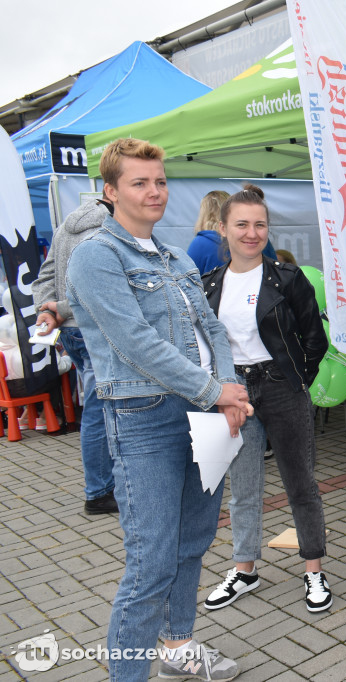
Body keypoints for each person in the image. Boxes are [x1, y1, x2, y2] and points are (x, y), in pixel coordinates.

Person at [66, 138, 250, 682]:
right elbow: (134, 341)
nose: (154, 191)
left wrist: (230, 389)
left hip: (203, 418)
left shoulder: (173, 258)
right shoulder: (96, 255)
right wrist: (214, 392)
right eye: (139, 182)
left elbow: (211, 329)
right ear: (110, 191)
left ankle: (177, 648)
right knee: (150, 562)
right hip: (144, 420)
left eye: (160, 181)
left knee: (193, 542)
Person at [201, 184, 332, 613]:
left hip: (281, 388)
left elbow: (315, 338)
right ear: (223, 228)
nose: (251, 232)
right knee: (243, 488)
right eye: (242, 224)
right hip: (234, 392)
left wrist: (298, 381)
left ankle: (314, 569)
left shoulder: (288, 279)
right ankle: (244, 569)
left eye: (260, 224)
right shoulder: (210, 285)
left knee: (300, 484)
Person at [32, 200, 117, 514]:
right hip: (92, 327)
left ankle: (106, 486)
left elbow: (43, 279)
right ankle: (98, 493)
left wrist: (47, 309)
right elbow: (96, 287)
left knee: (99, 407)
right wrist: (59, 309)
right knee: (99, 411)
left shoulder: (63, 228)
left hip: (70, 332)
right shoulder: (108, 227)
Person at [187, 189, 276, 274]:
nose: (252, 234)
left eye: (259, 224)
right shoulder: (258, 240)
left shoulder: (199, 244)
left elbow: (186, 283)